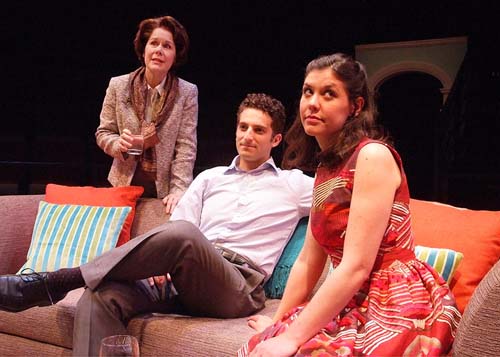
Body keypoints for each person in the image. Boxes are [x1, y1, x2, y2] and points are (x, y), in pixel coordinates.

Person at [0, 93, 314, 356]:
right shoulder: (209, 179)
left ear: (275, 139)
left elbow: (350, 192)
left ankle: (55, 282)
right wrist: (160, 264)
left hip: (237, 287)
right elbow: (178, 227)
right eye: (243, 127)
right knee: (101, 295)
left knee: (185, 236)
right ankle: (61, 285)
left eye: (258, 130)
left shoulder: (293, 184)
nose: (247, 136)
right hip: (186, 277)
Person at [239, 54, 462, 356]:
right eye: (308, 91)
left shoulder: (372, 156)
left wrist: (292, 339)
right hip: (352, 296)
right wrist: (278, 323)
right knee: (261, 345)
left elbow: (357, 266)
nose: (313, 103)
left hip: (395, 299)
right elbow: (308, 261)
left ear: (355, 107)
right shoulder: (324, 170)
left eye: (328, 93)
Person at [95, 15, 198, 214]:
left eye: (167, 46)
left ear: (175, 55)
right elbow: (104, 132)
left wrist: (180, 190)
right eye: (154, 43)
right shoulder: (119, 85)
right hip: (123, 182)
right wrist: (118, 144)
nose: (159, 50)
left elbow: (186, 147)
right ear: (144, 50)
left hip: (164, 189)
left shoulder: (187, 92)